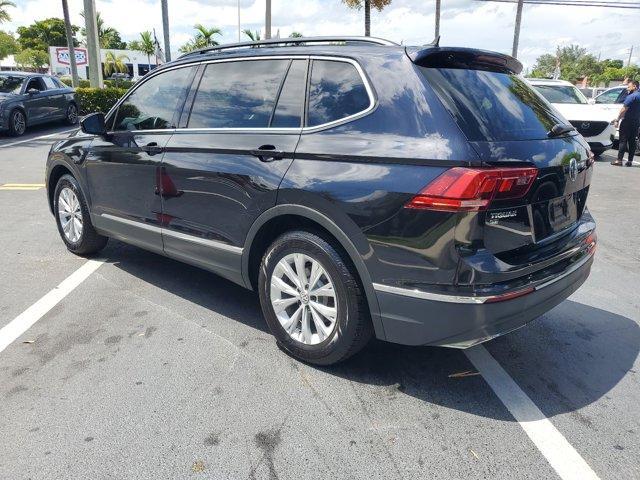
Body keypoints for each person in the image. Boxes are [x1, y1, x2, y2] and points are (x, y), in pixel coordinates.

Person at [612, 80, 640, 167]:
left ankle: (619, 160)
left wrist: (617, 119)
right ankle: (630, 161)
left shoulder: (632, 96)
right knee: (632, 141)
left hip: (627, 121)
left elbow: (624, 109)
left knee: (623, 141)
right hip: (636, 122)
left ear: (634, 86)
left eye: (629, 86)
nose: (627, 88)